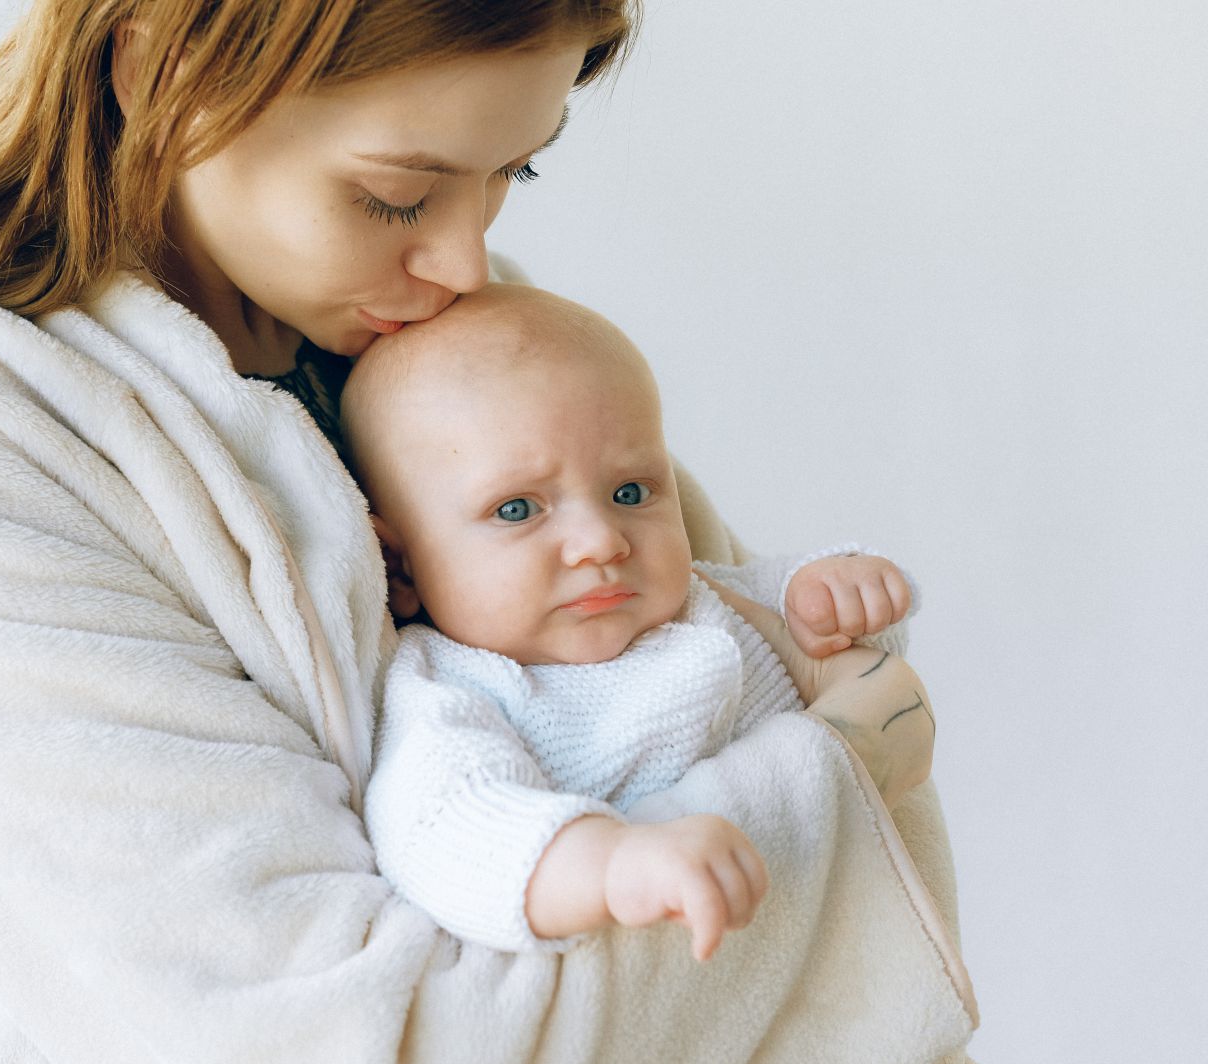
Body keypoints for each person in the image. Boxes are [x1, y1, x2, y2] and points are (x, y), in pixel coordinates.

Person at [0, 1, 973, 1061]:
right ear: (163, 73)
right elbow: (362, 1037)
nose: (463, 260)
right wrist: (838, 780)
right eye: (393, 194)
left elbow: (728, 657)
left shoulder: (440, 344)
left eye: (516, 171)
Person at [344, 284, 936, 962]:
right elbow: (445, 828)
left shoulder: (697, 600)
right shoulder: (457, 689)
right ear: (401, 568)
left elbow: (844, 649)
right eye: (517, 510)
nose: (601, 540)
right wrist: (611, 864)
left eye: (630, 492)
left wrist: (834, 588)